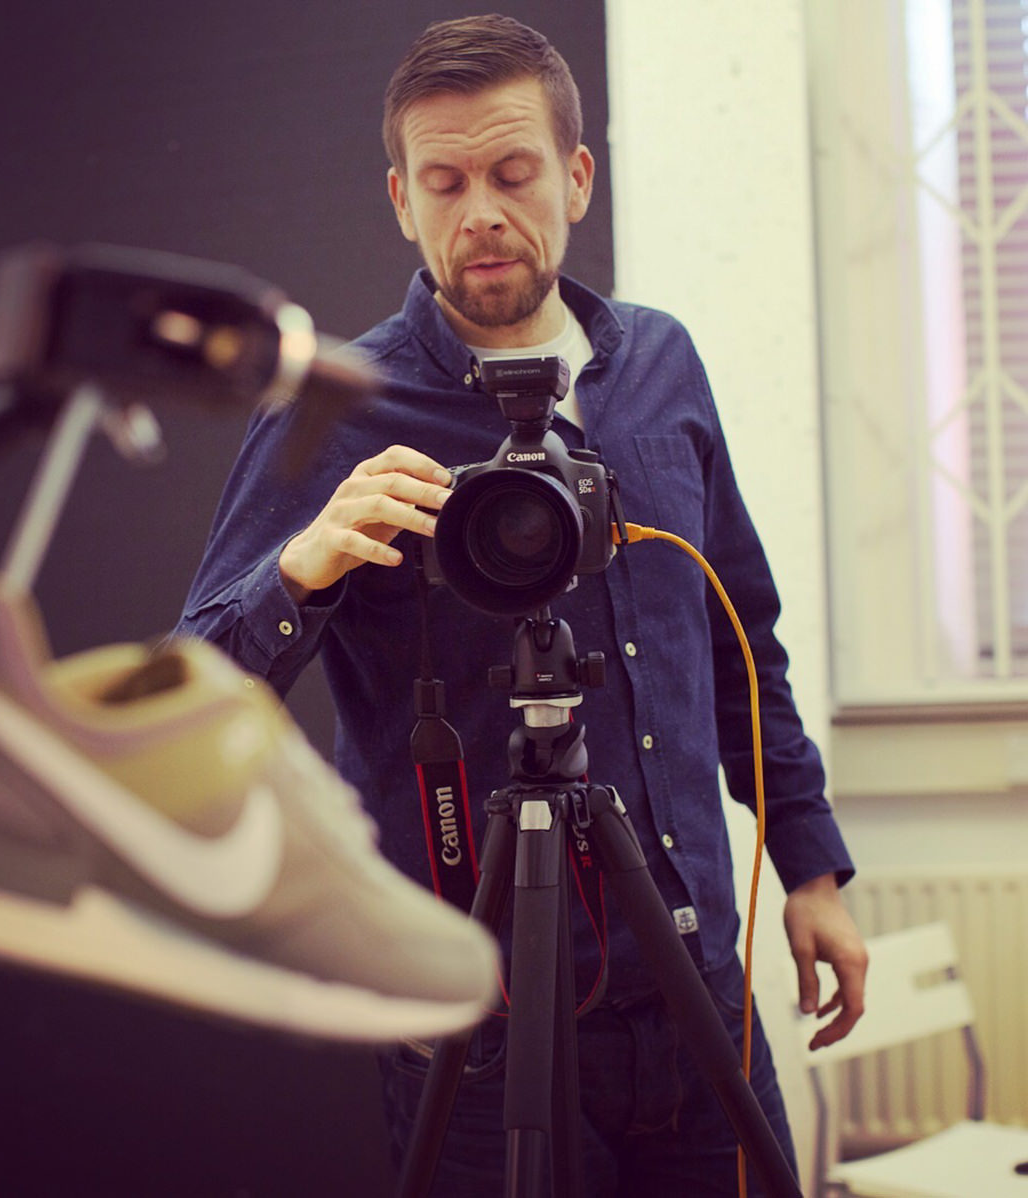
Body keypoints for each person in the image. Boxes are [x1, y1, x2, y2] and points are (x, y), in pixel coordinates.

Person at [177, 13, 868, 1196]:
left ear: (576, 177)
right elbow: (191, 688)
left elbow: (739, 634)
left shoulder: (662, 365)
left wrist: (809, 868)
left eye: (512, 173)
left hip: (694, 976)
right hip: (469, 1009)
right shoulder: (331, 406)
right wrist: (301, 568)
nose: (480, 212)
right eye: (444, 182)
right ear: (401, 198)